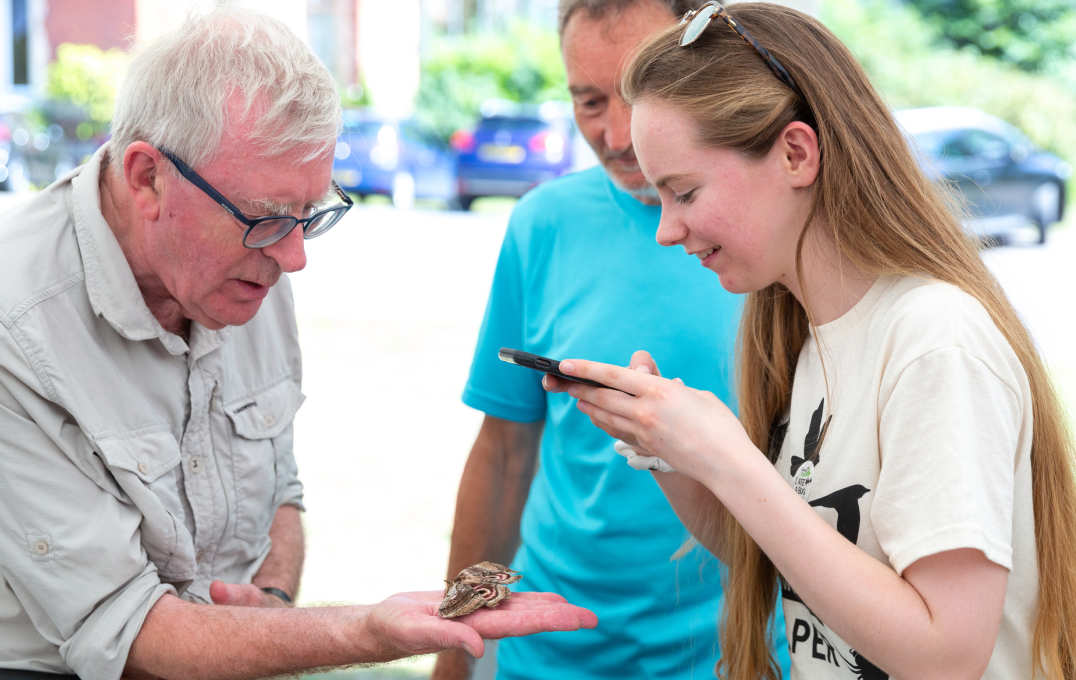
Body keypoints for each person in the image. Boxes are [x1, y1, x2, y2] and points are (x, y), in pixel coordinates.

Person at [0, 9, 597, 680]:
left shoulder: (243, 259)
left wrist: (274, 603)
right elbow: (126, 633)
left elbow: (278, 489)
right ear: (147, 178)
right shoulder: (16, 322)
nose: (293, 258)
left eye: (311, 216)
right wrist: (367, 630)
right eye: (268, 218)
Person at [542, 2, 1076, 679]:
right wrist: (667, 448)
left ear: (796, 153)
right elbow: (798, 555)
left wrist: (731, 458)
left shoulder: (933, 339)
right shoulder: (809, 336)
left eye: (684, 192)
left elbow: (946, 654)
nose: (666, 231)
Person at [433, 2, 788, 679]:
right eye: (588, 101)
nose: (617, 133)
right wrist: (455, 649)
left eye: (639, 91)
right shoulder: (543, 223)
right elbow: (505, 454)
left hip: (737, 658)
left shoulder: (774, 240)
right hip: (547, 654)